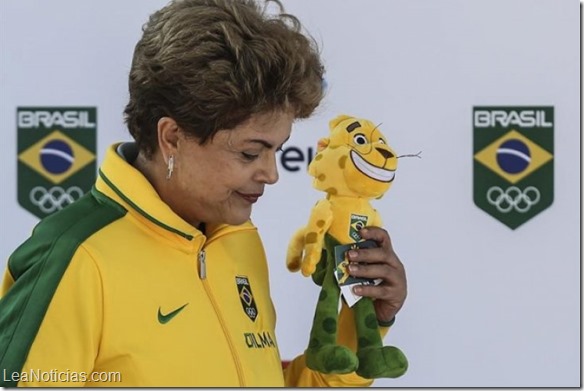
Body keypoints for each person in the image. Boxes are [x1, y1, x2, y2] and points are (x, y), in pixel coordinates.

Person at [0, 0, 407, 386]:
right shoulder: (77, 257)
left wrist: (360, 324)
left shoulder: (238, 240)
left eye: (276, 150)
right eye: (251, 152)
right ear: (172, 137)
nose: (271, 174)